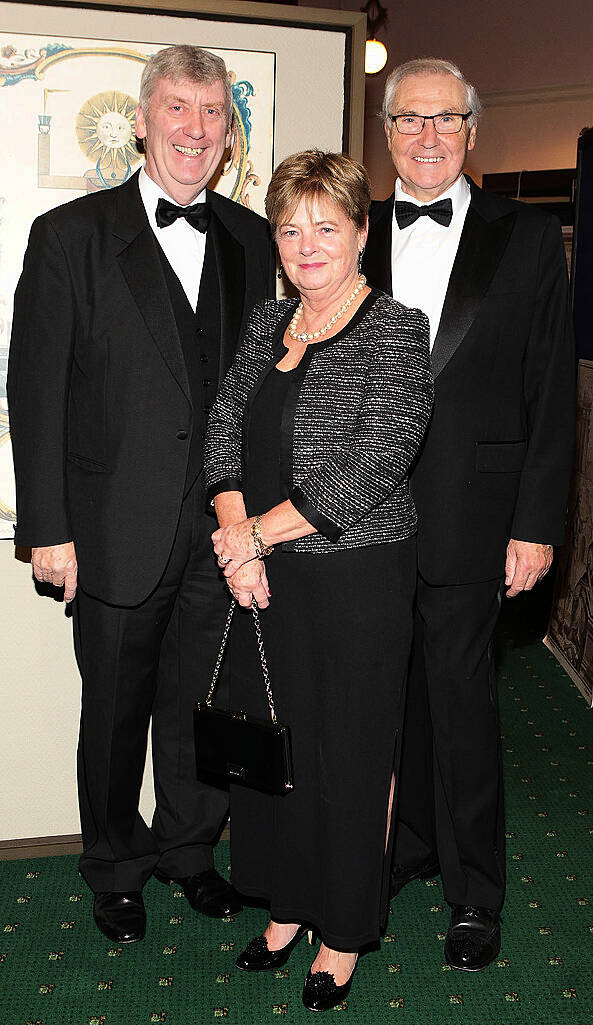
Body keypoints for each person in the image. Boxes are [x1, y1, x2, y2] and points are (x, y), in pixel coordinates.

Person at [7, 44, 275, 943]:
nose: (195, 129)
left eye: (212, 114)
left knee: (202, 702)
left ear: (228, 134)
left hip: (222, 528)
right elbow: (34, 390)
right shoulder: (70, 237)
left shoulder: (248, 238)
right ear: (143, 119)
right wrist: (47, 526)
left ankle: (190, 850)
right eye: (178, 109)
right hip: (112, 526)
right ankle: (115, 865)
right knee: (115, 711)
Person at [204, 149, 433, 1011]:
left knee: (347, 755)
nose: (306, 245)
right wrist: (237, 534)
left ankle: (341, 927)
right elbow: (224, 425)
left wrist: (253, 533)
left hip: (357, 579)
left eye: (325, 227)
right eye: (290, 228)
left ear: (361, 234)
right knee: (278, 750)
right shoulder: (268, 323)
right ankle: (284, 906)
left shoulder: (394, 328)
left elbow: (377, 459)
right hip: (265, 577)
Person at [362, 57, 575, 971]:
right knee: (383, 695)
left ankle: (475, 889)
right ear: (386, 133)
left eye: (445, 119)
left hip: (473, 513)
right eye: (409, 120)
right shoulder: (350, 229)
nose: (427, 136)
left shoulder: (525, 238)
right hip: (358, 517)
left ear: (472, 130)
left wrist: (535, 523)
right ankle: (405, 848)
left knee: (460, 702)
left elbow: (549, 390)